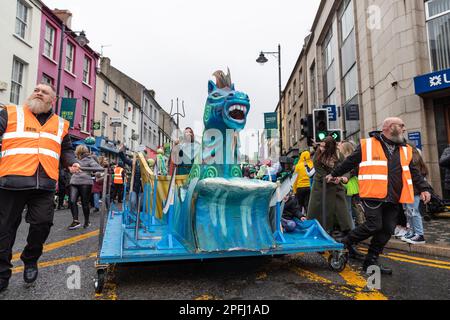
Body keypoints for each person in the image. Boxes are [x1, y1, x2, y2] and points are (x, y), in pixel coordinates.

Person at [0, 83, 80, 293]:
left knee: (42, 224)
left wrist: (71, 162)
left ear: (51, 100)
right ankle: (2, 273)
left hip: (44, 184)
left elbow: (67, 149)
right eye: (36, 89)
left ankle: (30, 258)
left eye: (44, 91)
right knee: (3, 230)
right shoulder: (10, 112)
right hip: (12, 181)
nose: (38, 92)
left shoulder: (61, 124)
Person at [327, 118, 432, 275]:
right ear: (390, 128)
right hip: (373, 195)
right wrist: (334, 174)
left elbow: (413, 171)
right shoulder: (367, 145)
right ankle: (344, 243)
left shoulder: (405, 148)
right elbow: (349, 162)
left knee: (387, 229)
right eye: (401, 125)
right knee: (374, 225)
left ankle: (371, 262)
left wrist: (424, 188)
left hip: (394, 197)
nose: (404, 128)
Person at [307, 137, 353, 237]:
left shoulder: (338, 155)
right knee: (318, 209)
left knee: (340, 209)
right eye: (321, 145)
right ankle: (320, 230)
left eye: (324, 147)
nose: (321, 148)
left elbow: (345, 168)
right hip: (320, 186)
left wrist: (342, 178)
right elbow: (320, 173)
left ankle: (343, 230)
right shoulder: (317, 155)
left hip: (336, 186)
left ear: (330, 148)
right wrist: (333, 178)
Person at [68, 145, 103, 230]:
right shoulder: (74, 159)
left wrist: (97, 174)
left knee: (85, 203)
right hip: (74, 182)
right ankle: (75, 221)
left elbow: (99, 168)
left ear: (78, 151)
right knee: (72, 201)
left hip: (85, 183)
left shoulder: (89, 159)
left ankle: (87, 221)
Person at [401, 147, 429, 244]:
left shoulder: (415, 166)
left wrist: (422, 191)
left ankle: (419, 234)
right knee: (409, 213)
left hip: (413, 192)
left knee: (413, 213)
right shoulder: (415, 164)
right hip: (408, 191)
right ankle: (412, 232)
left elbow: (419, 180)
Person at [118, 144, 142, 214]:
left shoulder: (146, 166)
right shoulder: (134, 163)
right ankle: (132, 216)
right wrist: (121, 152)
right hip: (134, 187)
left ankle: (138, 218)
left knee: (141, 205)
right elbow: (125, 159)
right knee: (132, 201)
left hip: (142, 188)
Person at [293, 150, 314, 215]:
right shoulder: (312, 164)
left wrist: (294, 190)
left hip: (300, 187)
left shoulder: (298, 166)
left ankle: (300, 219)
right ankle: (308, 219)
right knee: (307, 205)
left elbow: (295, 179)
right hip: (309, 187)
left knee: (299, 205)